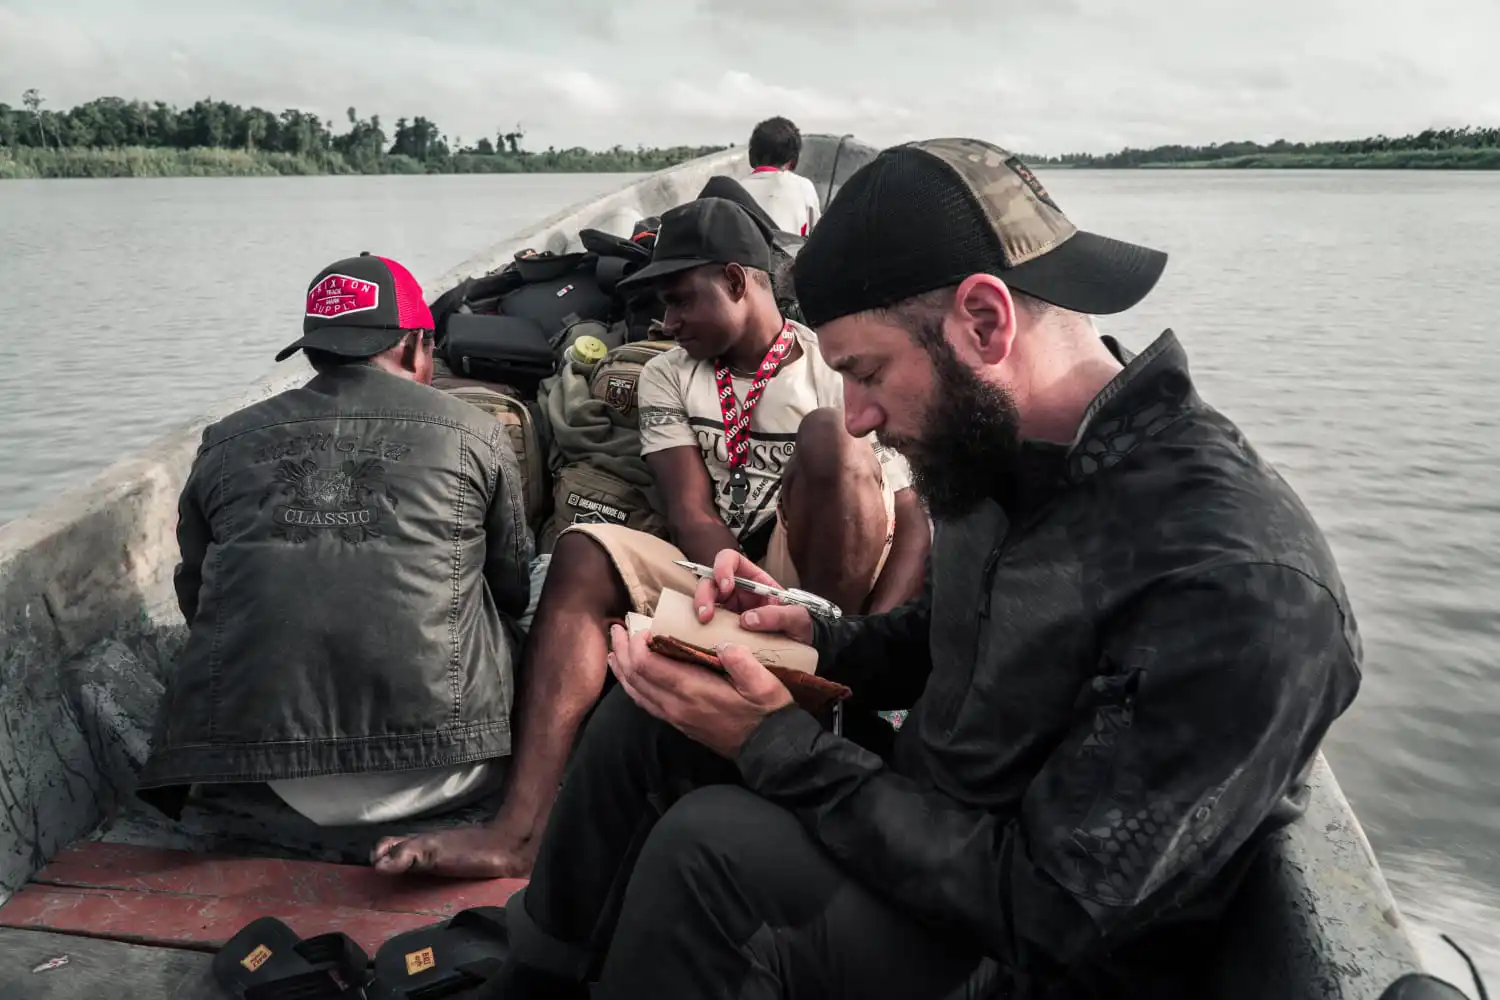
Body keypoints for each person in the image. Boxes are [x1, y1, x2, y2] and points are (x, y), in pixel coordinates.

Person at [464, 139, 1365, 1000]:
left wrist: (775, 743)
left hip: (1016, 948)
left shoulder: (1238, 582)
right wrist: (813, 635)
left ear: (983, 320)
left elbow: (1055, 909)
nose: (853, 419)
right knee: (650, 723)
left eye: (867, 373)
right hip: (933, 825)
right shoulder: (994, 452)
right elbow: (948, 644)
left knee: (713, 853)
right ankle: (536, 981)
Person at [371, 197, 930, 879]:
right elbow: (690, 507)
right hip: (725, 567)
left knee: (827, 437)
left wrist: (864, 638)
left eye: (679, 301)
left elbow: (911, 525)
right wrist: (728, 569)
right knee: (580, 548)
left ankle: (821, 696)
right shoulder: (669, 372)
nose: (666, 323)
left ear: (734, 279)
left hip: (823, 589)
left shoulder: (830, 371)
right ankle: (517, 834)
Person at [136, 253, 532, 827]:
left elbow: (197, 599)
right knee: (547, 584)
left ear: (315, 351)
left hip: (267, 772)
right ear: (416, 346)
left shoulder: (225, 441)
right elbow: (511, 588)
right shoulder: (476, 431)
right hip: (446, 765)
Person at [740, 116, 822, 236]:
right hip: (788, 254)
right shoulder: (804, 188)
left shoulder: (733, 190)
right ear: (794, 160)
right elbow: (817, 239)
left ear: (751, 157)